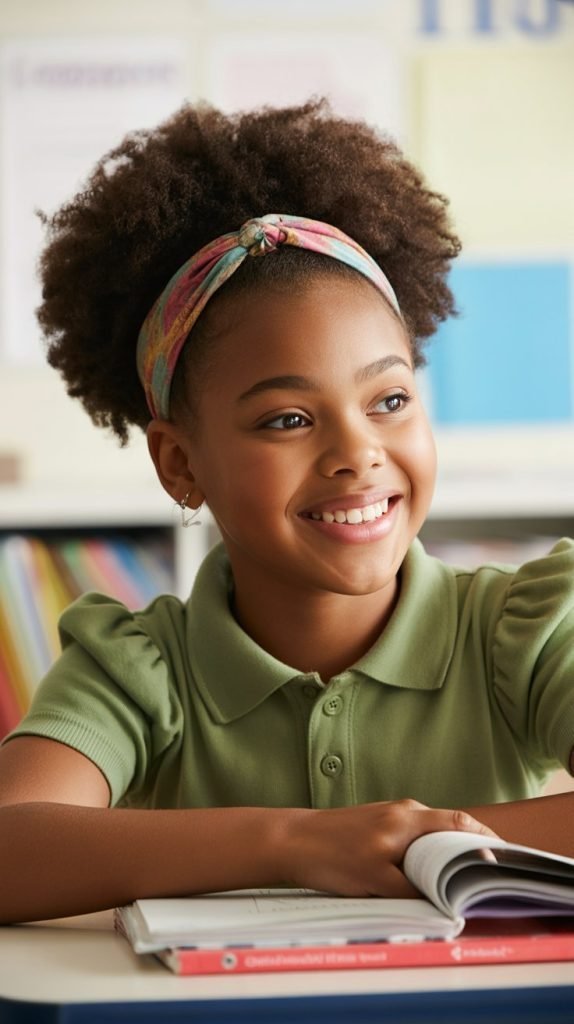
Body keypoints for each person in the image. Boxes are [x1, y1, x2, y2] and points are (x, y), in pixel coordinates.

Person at [0, 99, 572, 926]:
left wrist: (417, 844)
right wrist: (298, 843)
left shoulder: (524, 629)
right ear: (181, 463)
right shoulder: (137, 670)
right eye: (288, 420)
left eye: (390, 399)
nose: (358, 452)